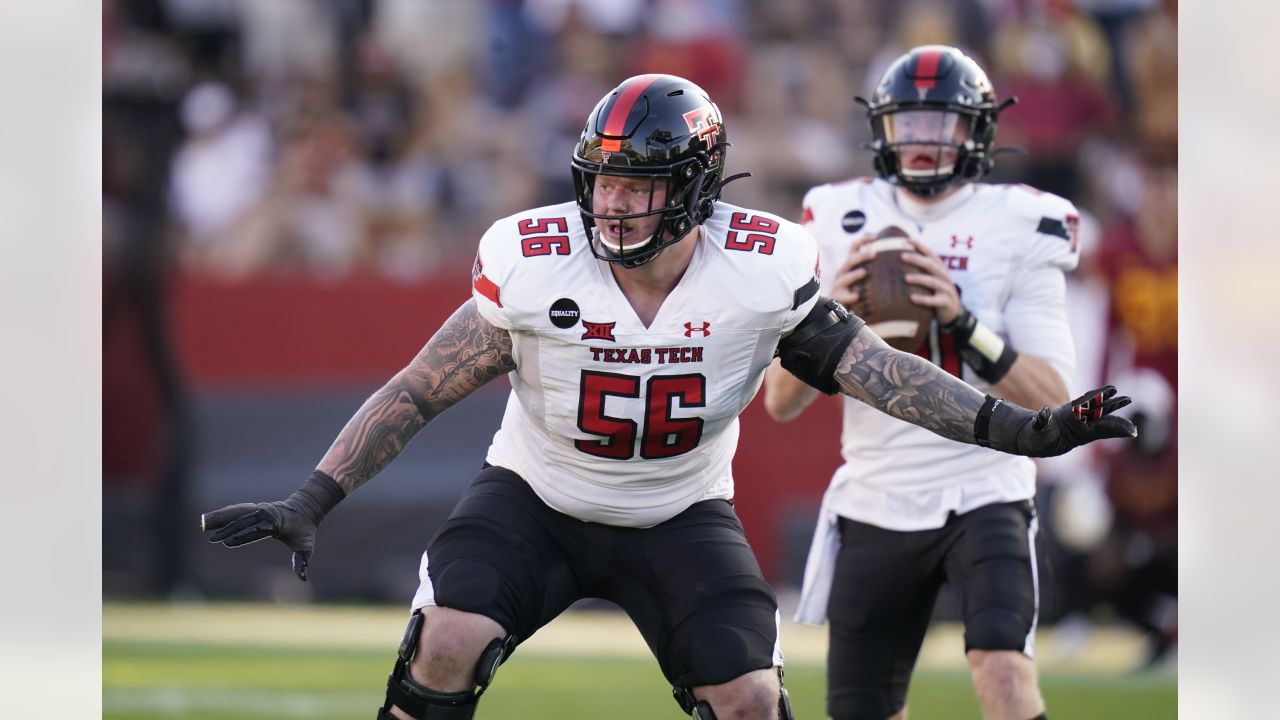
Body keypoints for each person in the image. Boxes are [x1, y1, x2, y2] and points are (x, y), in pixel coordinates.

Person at [202, 73, 1135, 720]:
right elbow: (419, 389)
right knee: (444, 640)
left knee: (751, 701)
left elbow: (884, 375)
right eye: (601, 182)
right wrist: (312, 497)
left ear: (691, 190)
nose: (610, 205)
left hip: (680, 511)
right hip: (536, 498)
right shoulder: (533, 256)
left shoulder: (760, 267)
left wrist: (1026, 427)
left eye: (635, 186)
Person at [764, 46, 1089, 720]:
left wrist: (964, 322)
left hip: (985, 486)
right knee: (861, 709)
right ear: (881, 127)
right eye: (908, 123)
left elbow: (1054, 398)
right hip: (877, 491)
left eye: (941, 123)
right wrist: (834, 318)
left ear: (977, 131)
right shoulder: (834, 212)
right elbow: (779, 401)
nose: (921, 140)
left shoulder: (1020, 222)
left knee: (1002, 670)